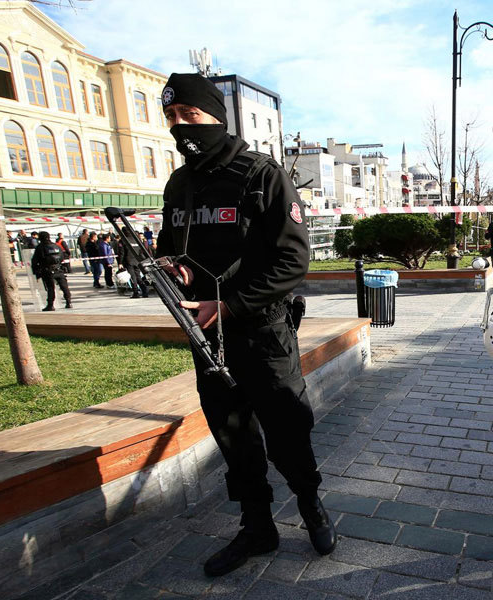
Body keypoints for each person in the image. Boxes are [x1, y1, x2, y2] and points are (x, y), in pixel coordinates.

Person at [156, 72, 335, 576]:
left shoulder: (261, 175)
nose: (180, 126)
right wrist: (176, 267)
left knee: (287, 431)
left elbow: (292, 264)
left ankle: (310, 506)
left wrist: (229, 306)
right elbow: (171, 248)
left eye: (189, 115)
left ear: (216, 116)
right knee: (233, 436)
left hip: (262, 332)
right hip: (207, 338)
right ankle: (258, 529)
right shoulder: (180, 183)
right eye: (171, 116)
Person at [31, 231, 72, 310]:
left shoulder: (40, 247)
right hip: (59, 269)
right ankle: (68, 302)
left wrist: (36, 271)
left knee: (50, 288)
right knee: (64, 286)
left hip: (47, 270)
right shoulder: (56, 246)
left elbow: (35, 260)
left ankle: (50, 305)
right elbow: (62, 257)